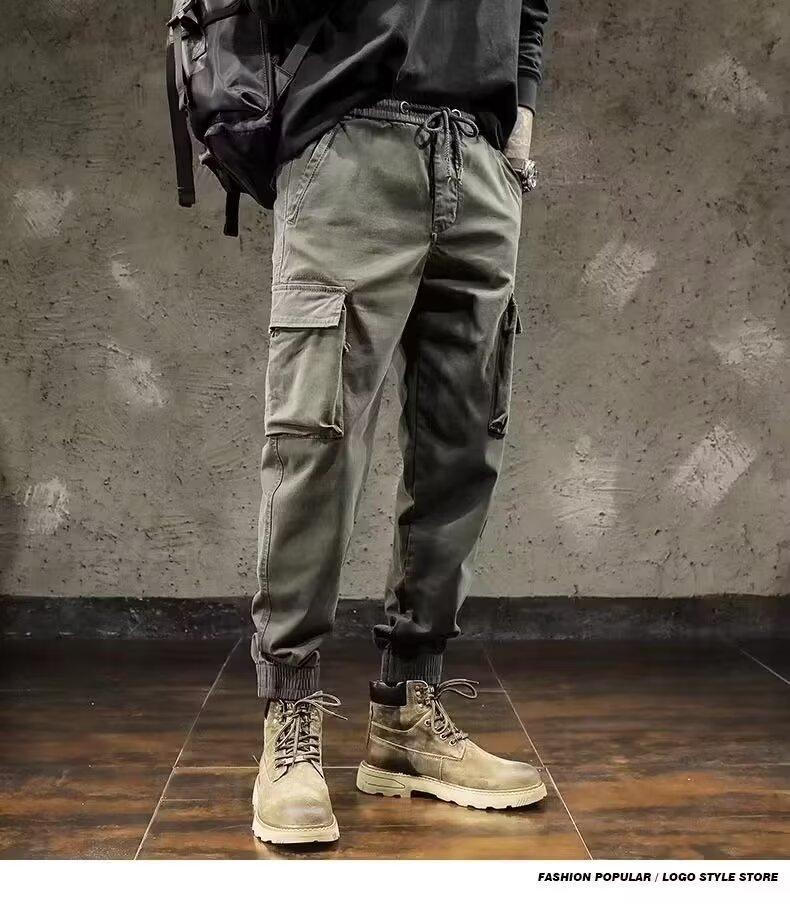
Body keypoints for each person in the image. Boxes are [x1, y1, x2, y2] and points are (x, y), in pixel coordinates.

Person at [249, 0, 550, 845]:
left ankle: (407, 716)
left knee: (464, 444)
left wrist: (520, 116)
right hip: (352, 140)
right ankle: (289, 720)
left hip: (481, 157)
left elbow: (531, 7)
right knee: (316, 443)